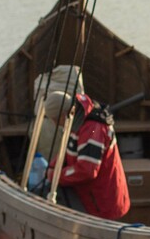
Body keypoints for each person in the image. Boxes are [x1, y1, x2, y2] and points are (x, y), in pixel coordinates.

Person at [43, 68, 131, 220]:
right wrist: (53, 167)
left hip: (103, 205)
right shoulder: (75, 118)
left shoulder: (92, 131)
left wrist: (57, 176)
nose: (57, 125)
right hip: (89, 196)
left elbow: (87, 170)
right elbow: (68, 149)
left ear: (62, 116)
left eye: (56, 121)